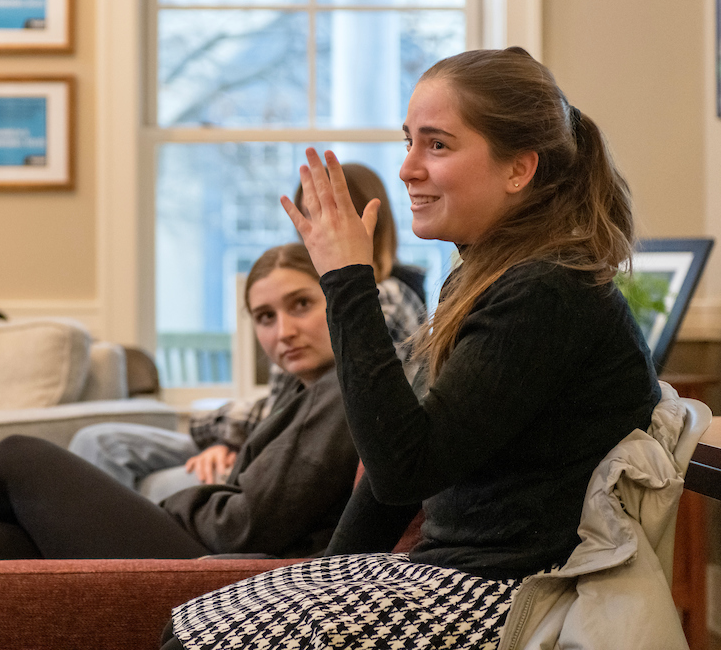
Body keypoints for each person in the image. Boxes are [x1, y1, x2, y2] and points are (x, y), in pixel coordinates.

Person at [164, 47, 660, 650]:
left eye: (438, 145)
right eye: (409, 142)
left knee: (198, 635)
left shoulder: (546, 289)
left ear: (518, 170)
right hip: (453, 570)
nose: (406, 169)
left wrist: (348, 280)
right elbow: (387, 477)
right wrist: (325, 574)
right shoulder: (490, 276)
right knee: (192, 622)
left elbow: (404, 467)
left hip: (507, 592)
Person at [0, 243, 360, 625]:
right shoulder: (303, 393)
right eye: (265, 317)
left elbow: (245, 525)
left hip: (232, 579)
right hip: (218, 557)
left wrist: (178, 503)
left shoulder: (346, 387)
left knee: (17, 457)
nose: (284, 331)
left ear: (335, 297)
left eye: (301, 304)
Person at [68, 163, 424, 501]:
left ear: (372, 221)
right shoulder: (309, 292)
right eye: (308, 215)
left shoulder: (381, 297)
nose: (317, 229)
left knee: (152, 481)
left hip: (297, 457)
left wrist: (226, 433)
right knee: (99, 441)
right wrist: (230, 442)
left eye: (334, 214)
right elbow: (276, 411)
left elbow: (334, 413)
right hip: (264, 439)